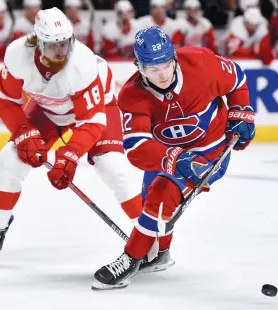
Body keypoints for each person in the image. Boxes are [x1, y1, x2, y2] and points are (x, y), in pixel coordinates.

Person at [0, 7, 143, 266]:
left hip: (97, 110)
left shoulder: (81, 63)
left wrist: (68, 156)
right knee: (10, 158)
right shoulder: (17, 54)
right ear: (37, 42)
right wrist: (24, 133)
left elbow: (91, 122)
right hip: (49, 110)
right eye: (53, 45)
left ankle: (150, 239)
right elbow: (4, 101)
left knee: (113, 167)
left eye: (66, 43)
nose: (62, 51)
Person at [91, 26, 255, 290]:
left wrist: (240, 110)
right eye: (153, 69)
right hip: (167, 153)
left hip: (210, 150)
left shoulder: (200, 63)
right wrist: (176, 159)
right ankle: (160, 254)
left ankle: (130, 258)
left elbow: (236, 78)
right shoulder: (132, 95)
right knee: (151, 202)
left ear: (174, 58)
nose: (163, 74)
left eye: (167, 65)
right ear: (139, 67)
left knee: (162, 193)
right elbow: (136, 147)